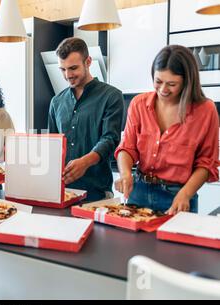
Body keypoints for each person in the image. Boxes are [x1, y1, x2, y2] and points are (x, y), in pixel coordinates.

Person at [114, 45, 219, 214]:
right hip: (138, 191)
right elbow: (127, 148)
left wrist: (185, 194)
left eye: (172, 84)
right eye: (158, 81)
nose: (163, 89)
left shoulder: (205, 110)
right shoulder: (139, 104)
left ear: (187, 81)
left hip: (179, 195)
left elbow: (207, 163)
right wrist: (125, 174)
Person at [48, 37, 125, 201]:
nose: (67, 75)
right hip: (63, 192)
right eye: (62, 69)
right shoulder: (56, 102)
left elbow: (110, 139)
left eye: (73, 68)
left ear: (88, 61)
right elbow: (52, 145)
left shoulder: (111, 96)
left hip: (97, 192)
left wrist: (85, 162)